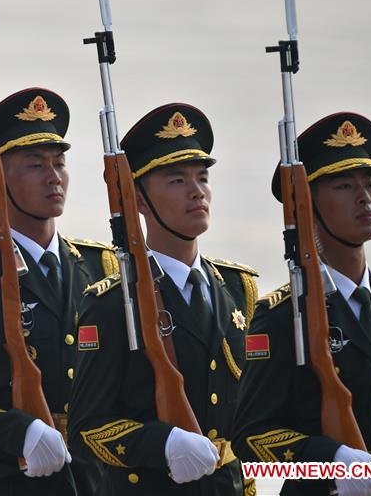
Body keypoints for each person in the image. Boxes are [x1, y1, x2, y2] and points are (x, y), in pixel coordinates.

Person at [0, 88, 119, 496]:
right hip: (7, 481)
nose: (54, 176)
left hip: (91, 479)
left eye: (60, 163)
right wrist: (20, 432)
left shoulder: (99, 267)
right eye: (35, 165)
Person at [68, 103, 258, 496]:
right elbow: (88, 427)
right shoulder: (112, 303)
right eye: (176, 180)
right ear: (138, 200)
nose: (197, 191)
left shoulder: (238, 290)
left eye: (202, 178)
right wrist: (162, 443)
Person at [232, 112, 371, 496]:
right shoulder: (282, 316)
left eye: (370, 184)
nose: (364, 197)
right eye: (344, 186)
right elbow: (251, 441)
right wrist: (330, 463)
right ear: (306, 206)